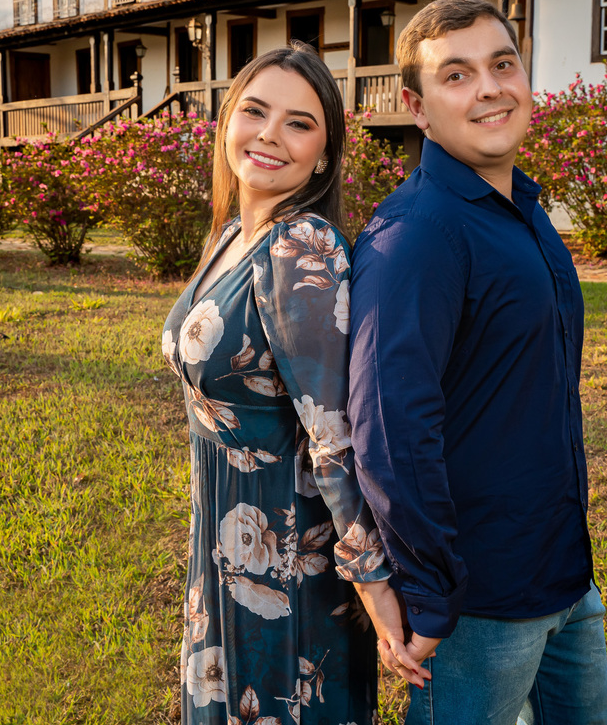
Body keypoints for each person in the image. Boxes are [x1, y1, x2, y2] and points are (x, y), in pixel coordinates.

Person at [348, 0, 607, 724]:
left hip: (565, 575)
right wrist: (433, 591)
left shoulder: (521, 208)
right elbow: (390, 432)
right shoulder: (417, 235)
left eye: (503, 64)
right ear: (417, 107)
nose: (490, 89)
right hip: (479, 606)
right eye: (457, 75)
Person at [161, 43, 427, 725]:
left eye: (300, 123)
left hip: (285, 556)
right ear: (227, 121)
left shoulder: (300, 245)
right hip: (222, 538)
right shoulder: (233, 234)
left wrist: (374, 584)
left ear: (325, 155)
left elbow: (334, 435)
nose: (270, 134)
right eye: (255, 111)